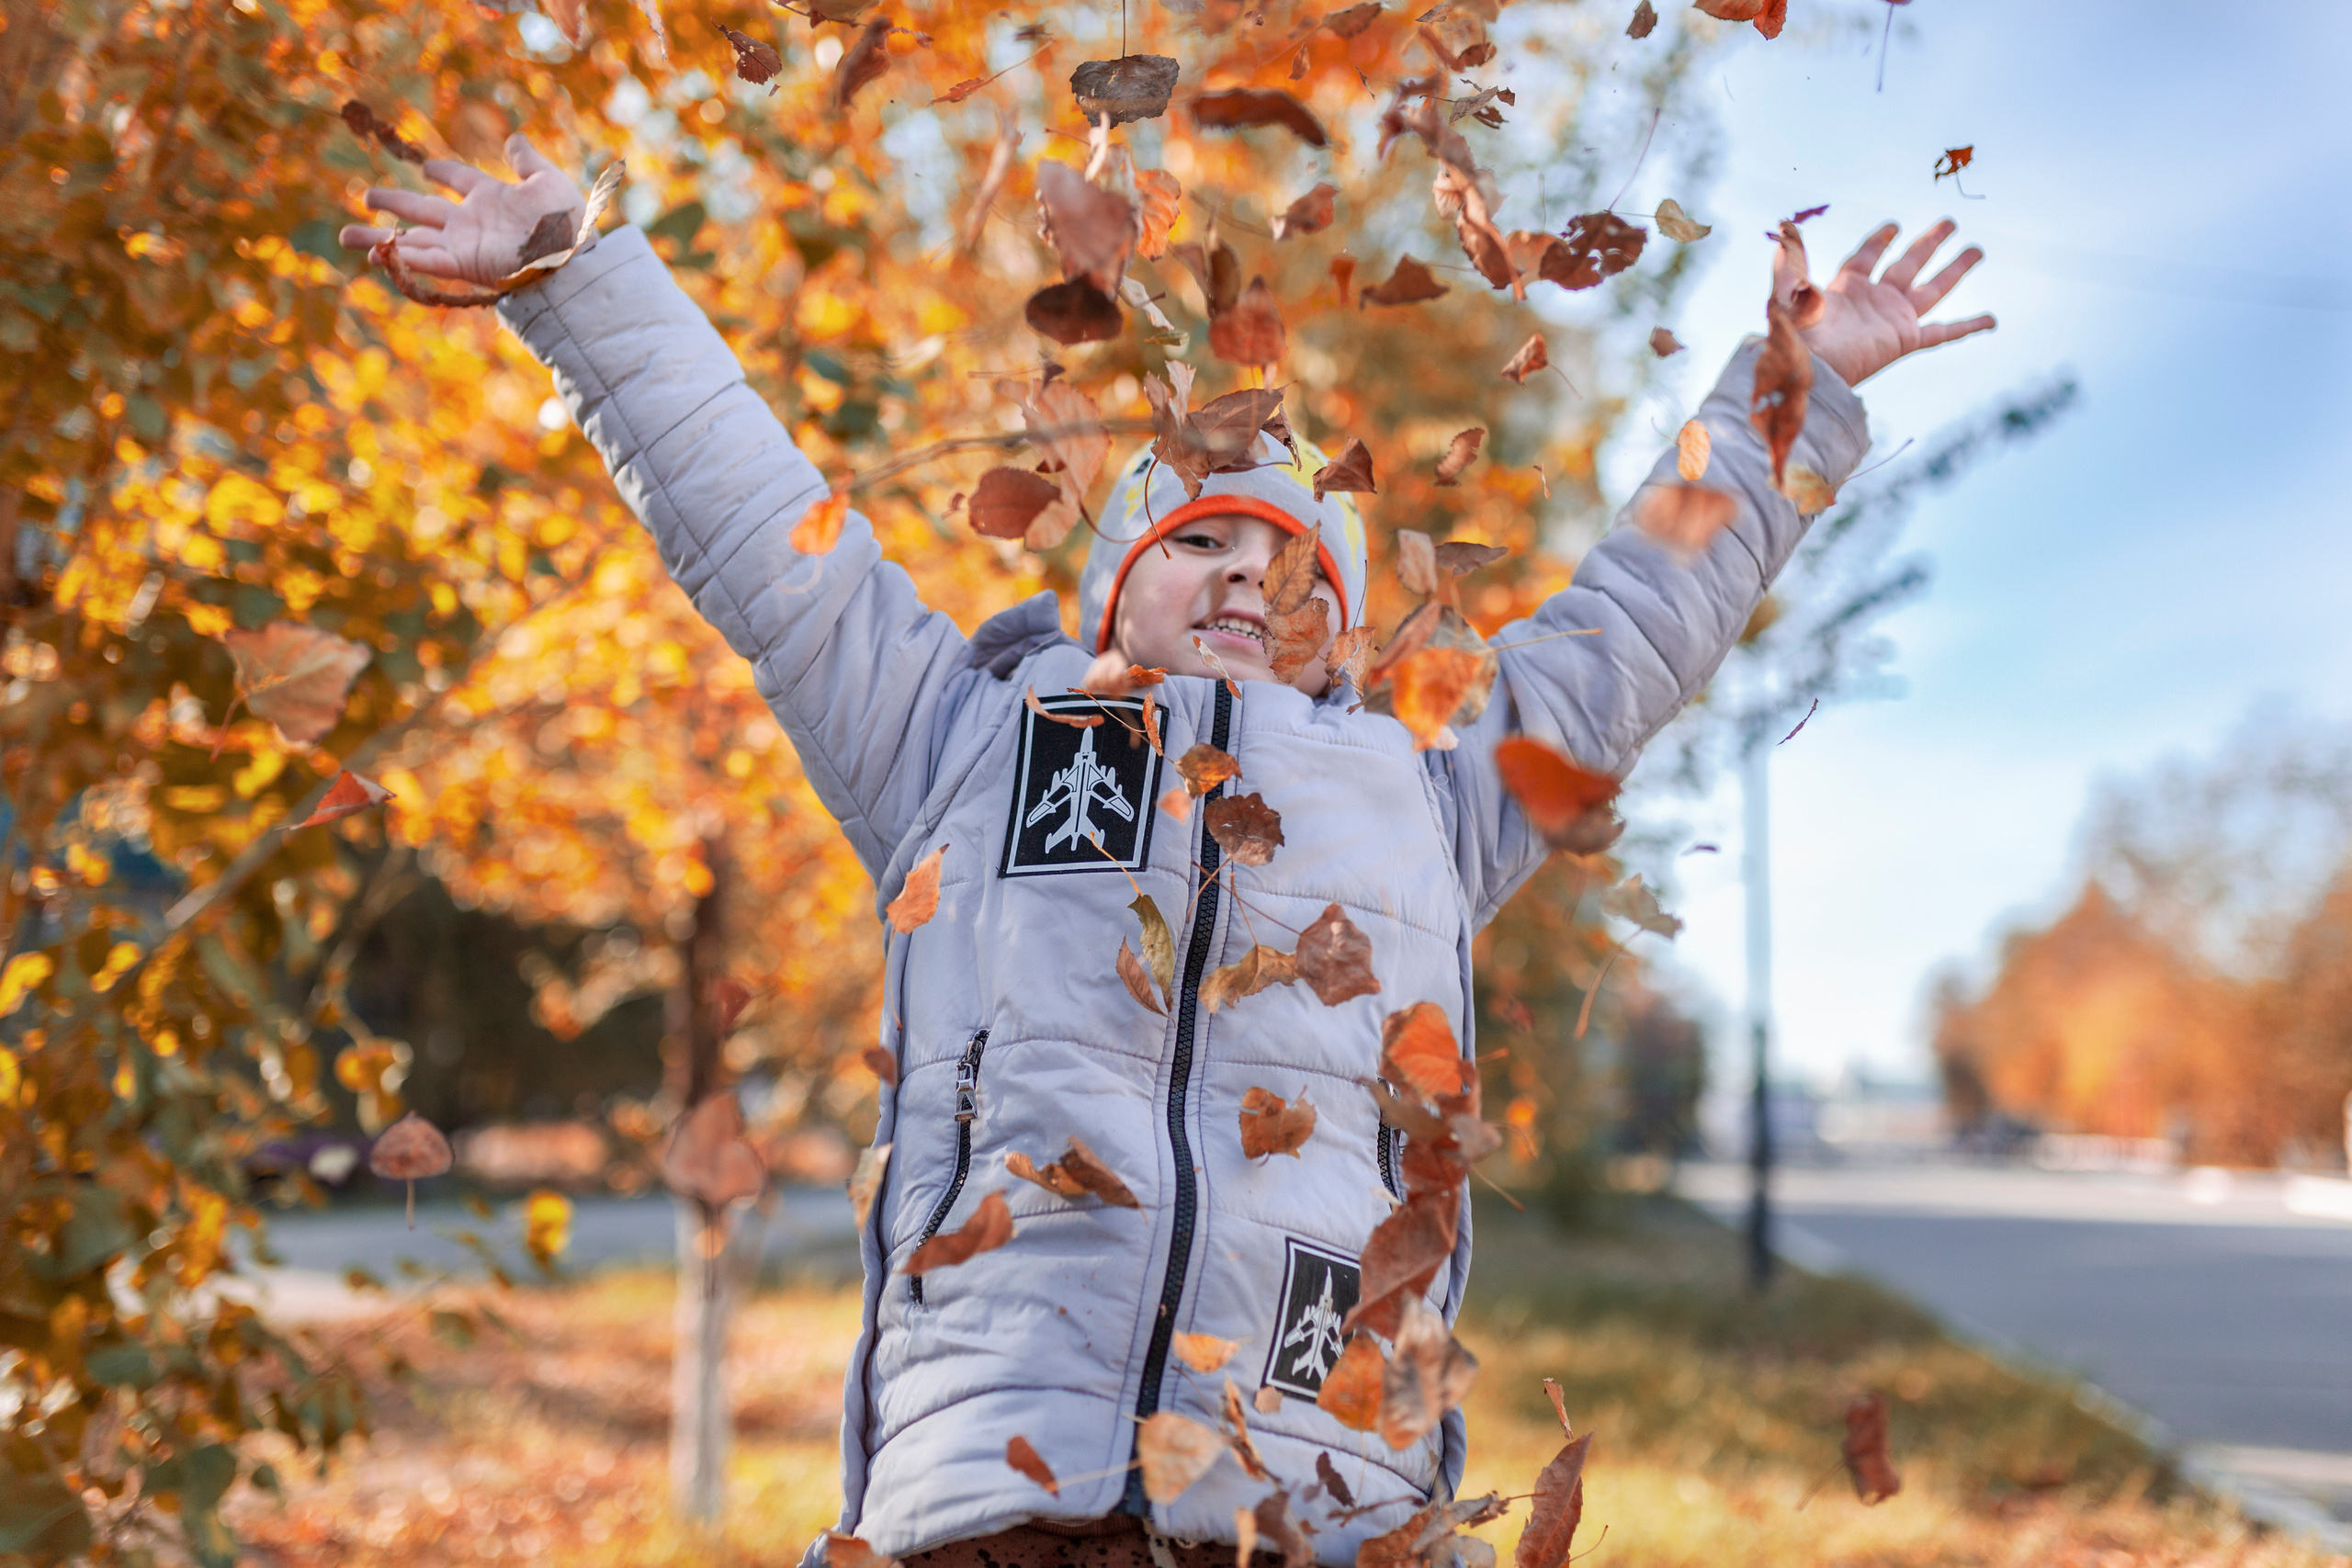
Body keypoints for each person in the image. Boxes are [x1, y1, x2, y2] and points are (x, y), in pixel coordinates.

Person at [340, 137, 1993, 1568]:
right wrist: (575, 281)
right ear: (1113, 590)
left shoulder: (1430, 796)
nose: (1247, 578)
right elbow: (776, 548)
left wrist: (1792, 393)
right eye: (1200, 541)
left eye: (1293, 561)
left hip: (1308, 1481)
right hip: (1000, 1471)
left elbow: (1632, 620)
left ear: (1340, 626)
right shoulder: (968, 740)